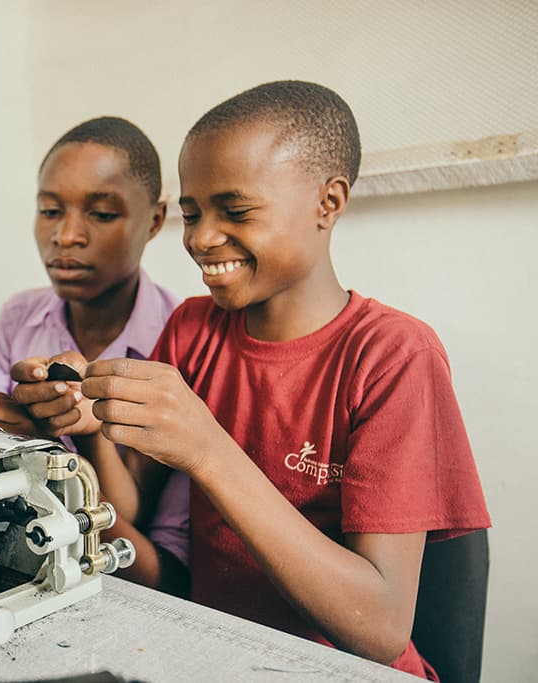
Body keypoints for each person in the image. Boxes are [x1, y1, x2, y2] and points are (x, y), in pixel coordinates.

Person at [72, 82, 490, 679]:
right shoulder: (194, 329)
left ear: (329, 202)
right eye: (191, 214)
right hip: (218, 653)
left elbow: (380, 627)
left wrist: (209, 449)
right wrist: (90, 424)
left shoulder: (392, 355)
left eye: (236, 211)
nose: (200, 238)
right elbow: (130, 503)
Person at [0, 116, 190, 595]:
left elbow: (166, 562)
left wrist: (45, 444)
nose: (67, 236)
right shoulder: (18, 317)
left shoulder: (181, 343)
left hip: (132, 583)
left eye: (102, 214)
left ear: (154, 220)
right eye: (50, 210)